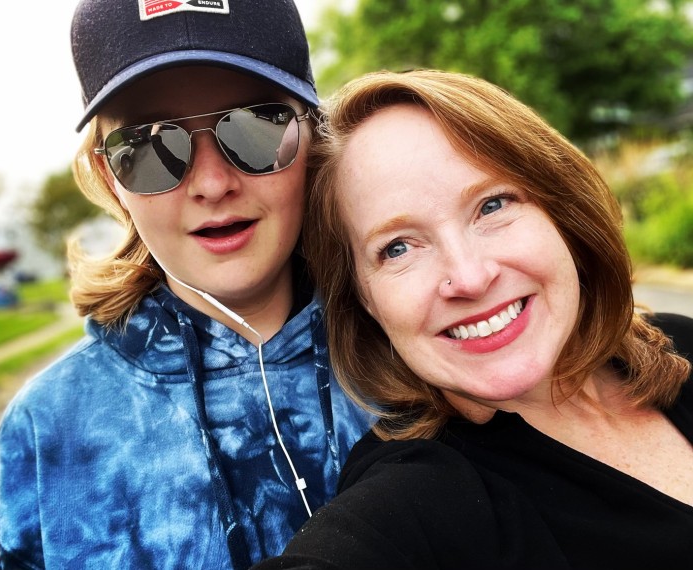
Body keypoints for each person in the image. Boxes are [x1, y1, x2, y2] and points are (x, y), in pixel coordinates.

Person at [0, 1, 372, 568]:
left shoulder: (419, 362)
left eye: (255, 125)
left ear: (313, 136)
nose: (212, 182)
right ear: (109, 176)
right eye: (149, 146)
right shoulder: (44, 432)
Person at [251, 69, 693, 570]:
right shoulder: (417, 499)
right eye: (397, 248)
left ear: (560, 214)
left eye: (492, 205)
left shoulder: (679, 342)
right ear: (364, 299)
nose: (470, 277)